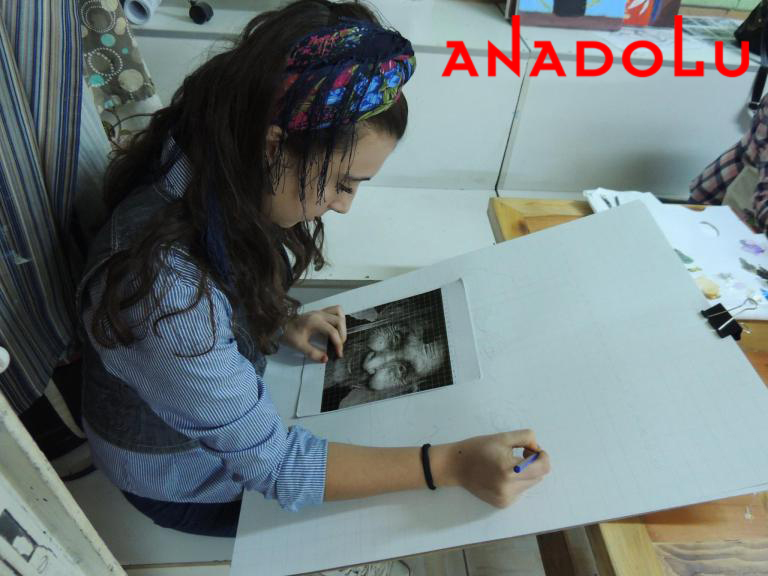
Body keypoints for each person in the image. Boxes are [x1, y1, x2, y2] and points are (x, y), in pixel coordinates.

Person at [77, 1, 550, 573]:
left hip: (198, 408)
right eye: (343, 183)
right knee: (418, 490)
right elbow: (278, 466)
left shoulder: (209, 148)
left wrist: (277, 321)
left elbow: (219, 286)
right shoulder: (163, 295)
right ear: (272, 145)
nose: (345, 205)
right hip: (185, 484)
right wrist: (448, 465)